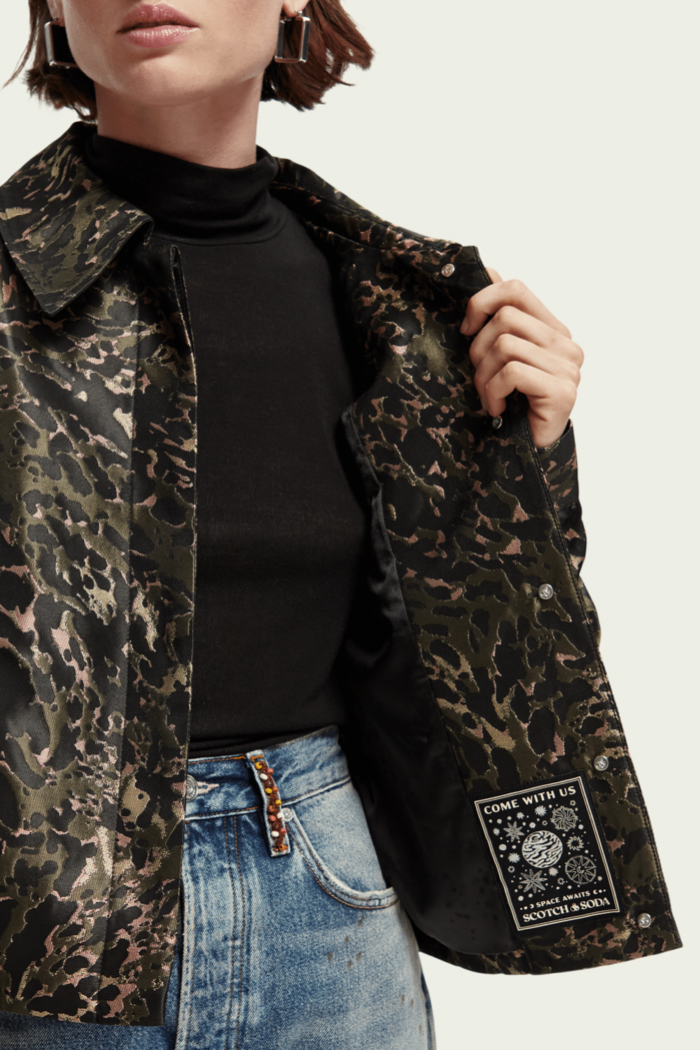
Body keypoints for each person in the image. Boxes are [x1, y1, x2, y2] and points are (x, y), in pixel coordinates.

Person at [0, 1, 681, 1047]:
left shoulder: (409, 306)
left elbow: (476, 667)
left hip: (328, 903)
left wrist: (523, 466)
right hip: (38, 922)